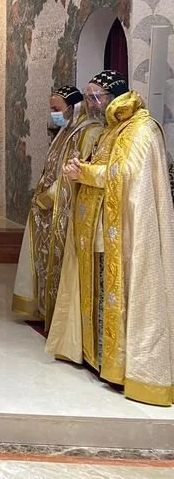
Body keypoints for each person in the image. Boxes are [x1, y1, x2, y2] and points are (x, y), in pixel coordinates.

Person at [48, 70, 174, 406]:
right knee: (102, 292)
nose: (91, 104)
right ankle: (101, 358)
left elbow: (125, 175)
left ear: (116, 96)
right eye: (87, 97)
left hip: (127, 233)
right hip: (103, 229)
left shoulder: (141, 129)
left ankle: (123, 366)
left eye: (96, 97)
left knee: (119, 293)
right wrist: (82, 170)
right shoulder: (111, 130)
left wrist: (84, 172)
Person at [12, 86, 102, 330]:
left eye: (56, 109)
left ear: (74, 107)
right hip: (47, 206)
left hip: (65, 208)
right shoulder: (66, 130)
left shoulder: (89, 132)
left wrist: (46, 198)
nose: (53, 114)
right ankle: (43, 308)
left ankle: (59, 317)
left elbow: (73, 172)